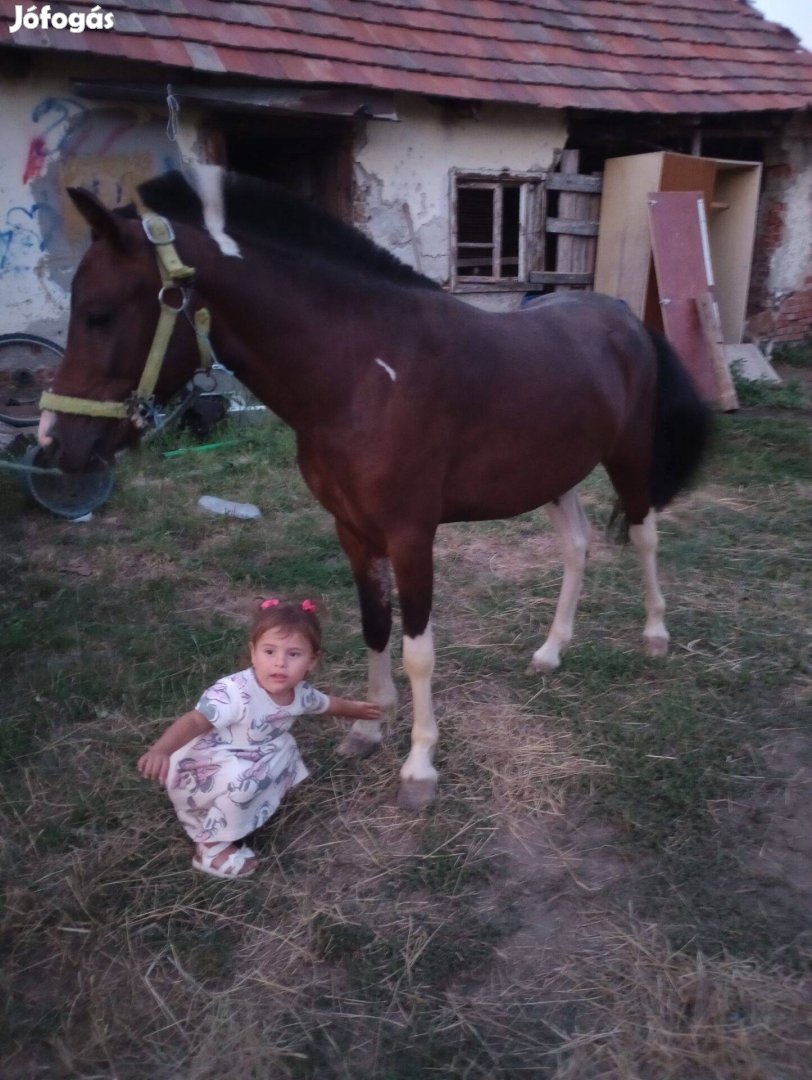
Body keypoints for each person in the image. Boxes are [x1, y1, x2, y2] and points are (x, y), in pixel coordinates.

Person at [138, 597, 382, 879]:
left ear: (312, 661)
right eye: (269, 651)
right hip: (200, 769)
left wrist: (358, 710)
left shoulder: (299, 693)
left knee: (281, 750)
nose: (280, 662)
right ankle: (210, 847)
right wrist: (161, 750)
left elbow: (327, 704)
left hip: (245, 759)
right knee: (251, 775)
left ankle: (231, 812)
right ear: (253, 653)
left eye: (293, 654)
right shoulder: (235, 692)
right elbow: (195, 720)